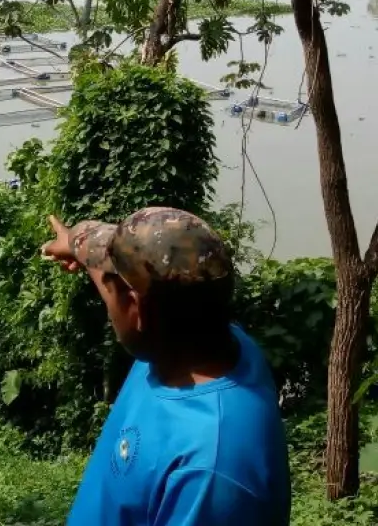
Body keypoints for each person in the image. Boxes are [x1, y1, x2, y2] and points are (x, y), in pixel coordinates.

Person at [42, 207, 290, 525]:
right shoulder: (210, 338)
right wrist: (74, 240)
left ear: (137, 309)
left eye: (111, 290)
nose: (106, 298)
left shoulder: (209, 468)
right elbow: (103, 257)